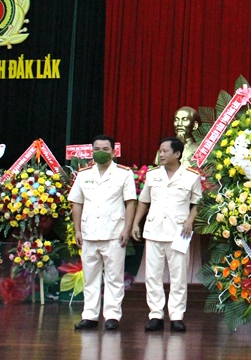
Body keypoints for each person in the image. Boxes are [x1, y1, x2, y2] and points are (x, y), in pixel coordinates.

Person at [132, 137, 202, 332]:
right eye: (160, 151)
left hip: (179, 232)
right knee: (152, 275)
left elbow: (198, 203)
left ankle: (177, 315)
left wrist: (189, 220)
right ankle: (155, 314)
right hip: (154, 231)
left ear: (177, 154)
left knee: (178, 275)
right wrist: (136, 223)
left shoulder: (191, 176)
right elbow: (143, 201)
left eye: (165, 151)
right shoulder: (152, 175)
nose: (161, 154)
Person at [69, 135, 137, 331]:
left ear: (113, 152)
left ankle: (112, 316)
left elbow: (130, 202)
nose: (101, 151)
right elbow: (77, 203)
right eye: (97, 148)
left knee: (114, 277)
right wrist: (77, 230)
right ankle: (89, 316)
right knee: (90, 276)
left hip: (115, 233)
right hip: (89, 232)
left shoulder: (124, 173)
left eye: (105, 149)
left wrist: (127, 228)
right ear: (92, 151)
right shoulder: (83, 175)